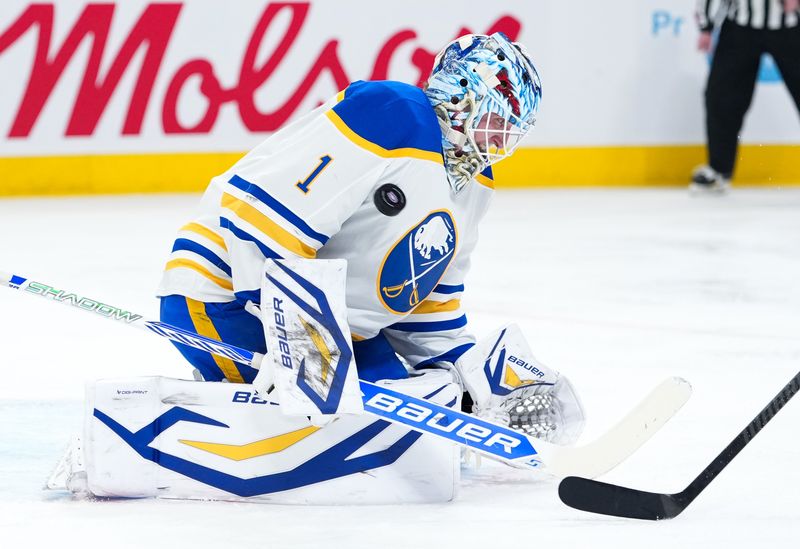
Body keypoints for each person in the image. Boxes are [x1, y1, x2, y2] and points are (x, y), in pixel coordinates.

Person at [156, 32, 584, 444]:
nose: (500, 139)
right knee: (353, 433)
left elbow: (427, 307)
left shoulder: (476, 186)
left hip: (333, 330)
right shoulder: (391, 114)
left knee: (405, 430)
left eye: (513, 126)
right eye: (496, 118)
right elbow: (265, 223)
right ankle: (197, 421)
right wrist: (296, 343)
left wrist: (473, 375)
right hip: (224, 294)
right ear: (460, 96)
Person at [691, 0, 800, 193]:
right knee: (722, 98)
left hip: (791, 25)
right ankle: (719, 169)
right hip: (740, 26)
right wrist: (706, 26)